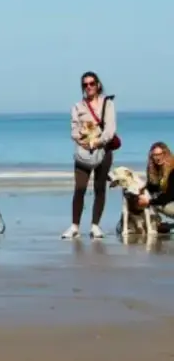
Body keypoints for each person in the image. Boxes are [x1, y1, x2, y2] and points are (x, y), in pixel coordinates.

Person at [62, 71, 117, 239]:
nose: (89, 87)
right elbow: (74, 128)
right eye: (85, 84)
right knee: (79, 189)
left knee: (100, 188)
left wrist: (97, 142)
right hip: (83, 151)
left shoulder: (107, 103)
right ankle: (74, 226)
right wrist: (81, 140)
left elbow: (110, 129)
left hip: (103, 149)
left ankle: (95, 226)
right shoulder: (77, 107)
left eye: (92, 83)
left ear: (98, 84)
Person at [139, 142, 174, 223]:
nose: (158, 158)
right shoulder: (154, 170)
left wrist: (149, 202)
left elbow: (169, 196)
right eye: (155, 155)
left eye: (160, 154)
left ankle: (155, 223)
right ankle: (155, 223)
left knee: (152, 204)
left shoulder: (172, 169)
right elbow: (151, 188)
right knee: (147, 198)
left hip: (171, 199)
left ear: (166, 154)